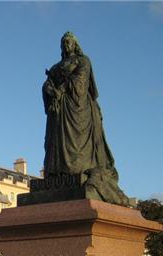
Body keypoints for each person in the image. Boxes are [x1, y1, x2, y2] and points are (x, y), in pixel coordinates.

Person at [42, 32, 129, 206]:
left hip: (77, 108)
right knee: (57, 142)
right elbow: (46, 84)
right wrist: (50, 90)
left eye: (69, 42)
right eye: (63, 42)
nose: (66, 45)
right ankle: (59, 172)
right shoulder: (55, 66)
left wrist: (63, 87)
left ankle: (77, 170)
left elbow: (80, 81)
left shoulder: (83, 61)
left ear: (75, 45)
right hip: (58, 112)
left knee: (77, 145)